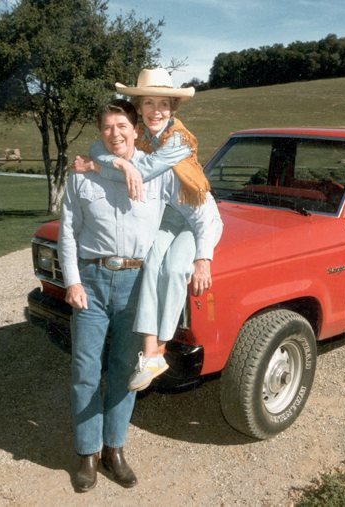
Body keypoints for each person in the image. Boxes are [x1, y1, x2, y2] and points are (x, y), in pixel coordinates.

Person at [59, 99, 220, 492]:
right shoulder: (82, 174)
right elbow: (67, 231)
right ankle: (87, 455)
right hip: (92, 284)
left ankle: (114, 450)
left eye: (121, 126)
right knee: (84, 372)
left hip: (135, 287)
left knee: (124, 373)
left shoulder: (161, 174)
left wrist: (202, 256)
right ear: (101, 134)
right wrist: (72, 281)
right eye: (107, 128)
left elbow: (202, 213)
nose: (115, 133)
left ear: (135, 130)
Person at [75, 67, 221, 392]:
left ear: (173, 109)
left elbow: (144, 169)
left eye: (164, 105)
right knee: (149, 263)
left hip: (198, 216)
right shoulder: (138, 134)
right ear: (139, 108)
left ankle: (162, 349)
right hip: (168, 215)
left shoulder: (180, 139)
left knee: (171, 269)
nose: (157, 111)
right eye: (149, 104)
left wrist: (203, 258)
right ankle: (150, 351)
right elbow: (98, 145)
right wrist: (119, 162)